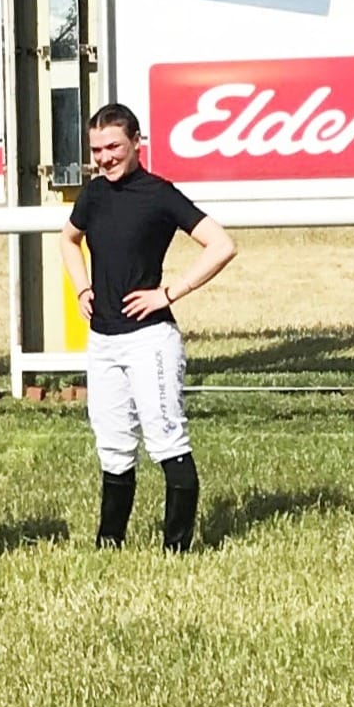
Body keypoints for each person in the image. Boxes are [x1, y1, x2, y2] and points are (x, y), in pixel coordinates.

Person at [60, 103, 236, 553]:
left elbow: (221, 244)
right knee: (113, 445)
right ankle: (109, 546)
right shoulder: (94, 194)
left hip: (149, 340)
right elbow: (68, 238)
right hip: (102, 341)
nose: (104, 157)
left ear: (137, 142)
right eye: (96, 149)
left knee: (165, 439)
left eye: (113, 146)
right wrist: (82, 289)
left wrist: (170, 292)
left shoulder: (160, 194)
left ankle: (176, 550)